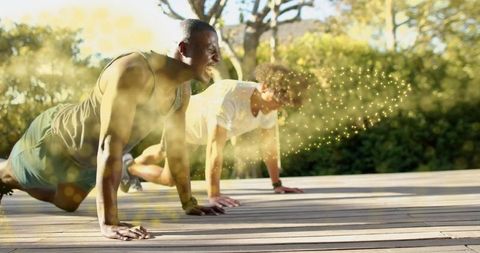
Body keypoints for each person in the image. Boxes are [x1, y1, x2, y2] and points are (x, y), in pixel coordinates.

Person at [0, 19, 224, 241]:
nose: (218, 58)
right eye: (211, 49)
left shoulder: (182, 90)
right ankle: (6, 178)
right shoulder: (134, 71)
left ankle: (13, 181)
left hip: (92, 161)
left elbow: (176, 148)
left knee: (69, 203)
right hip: (55, 143)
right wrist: (109, 223)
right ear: (183, 49)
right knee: (16, 175)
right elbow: (110, 145)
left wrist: (188, 203)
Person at [122, 64, 311, 207]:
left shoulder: (271, 109)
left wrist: (277, 184)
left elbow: (269, 147)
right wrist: (214, 195)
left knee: (160, 152)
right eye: (277, 100)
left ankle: (127, 163)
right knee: (170, 178)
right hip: (181, 123)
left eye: (283, 103)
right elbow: (215, 149)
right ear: (265, 86)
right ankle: (129, 167)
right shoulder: (230, 97)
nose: (277, 106)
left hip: (198, 134)